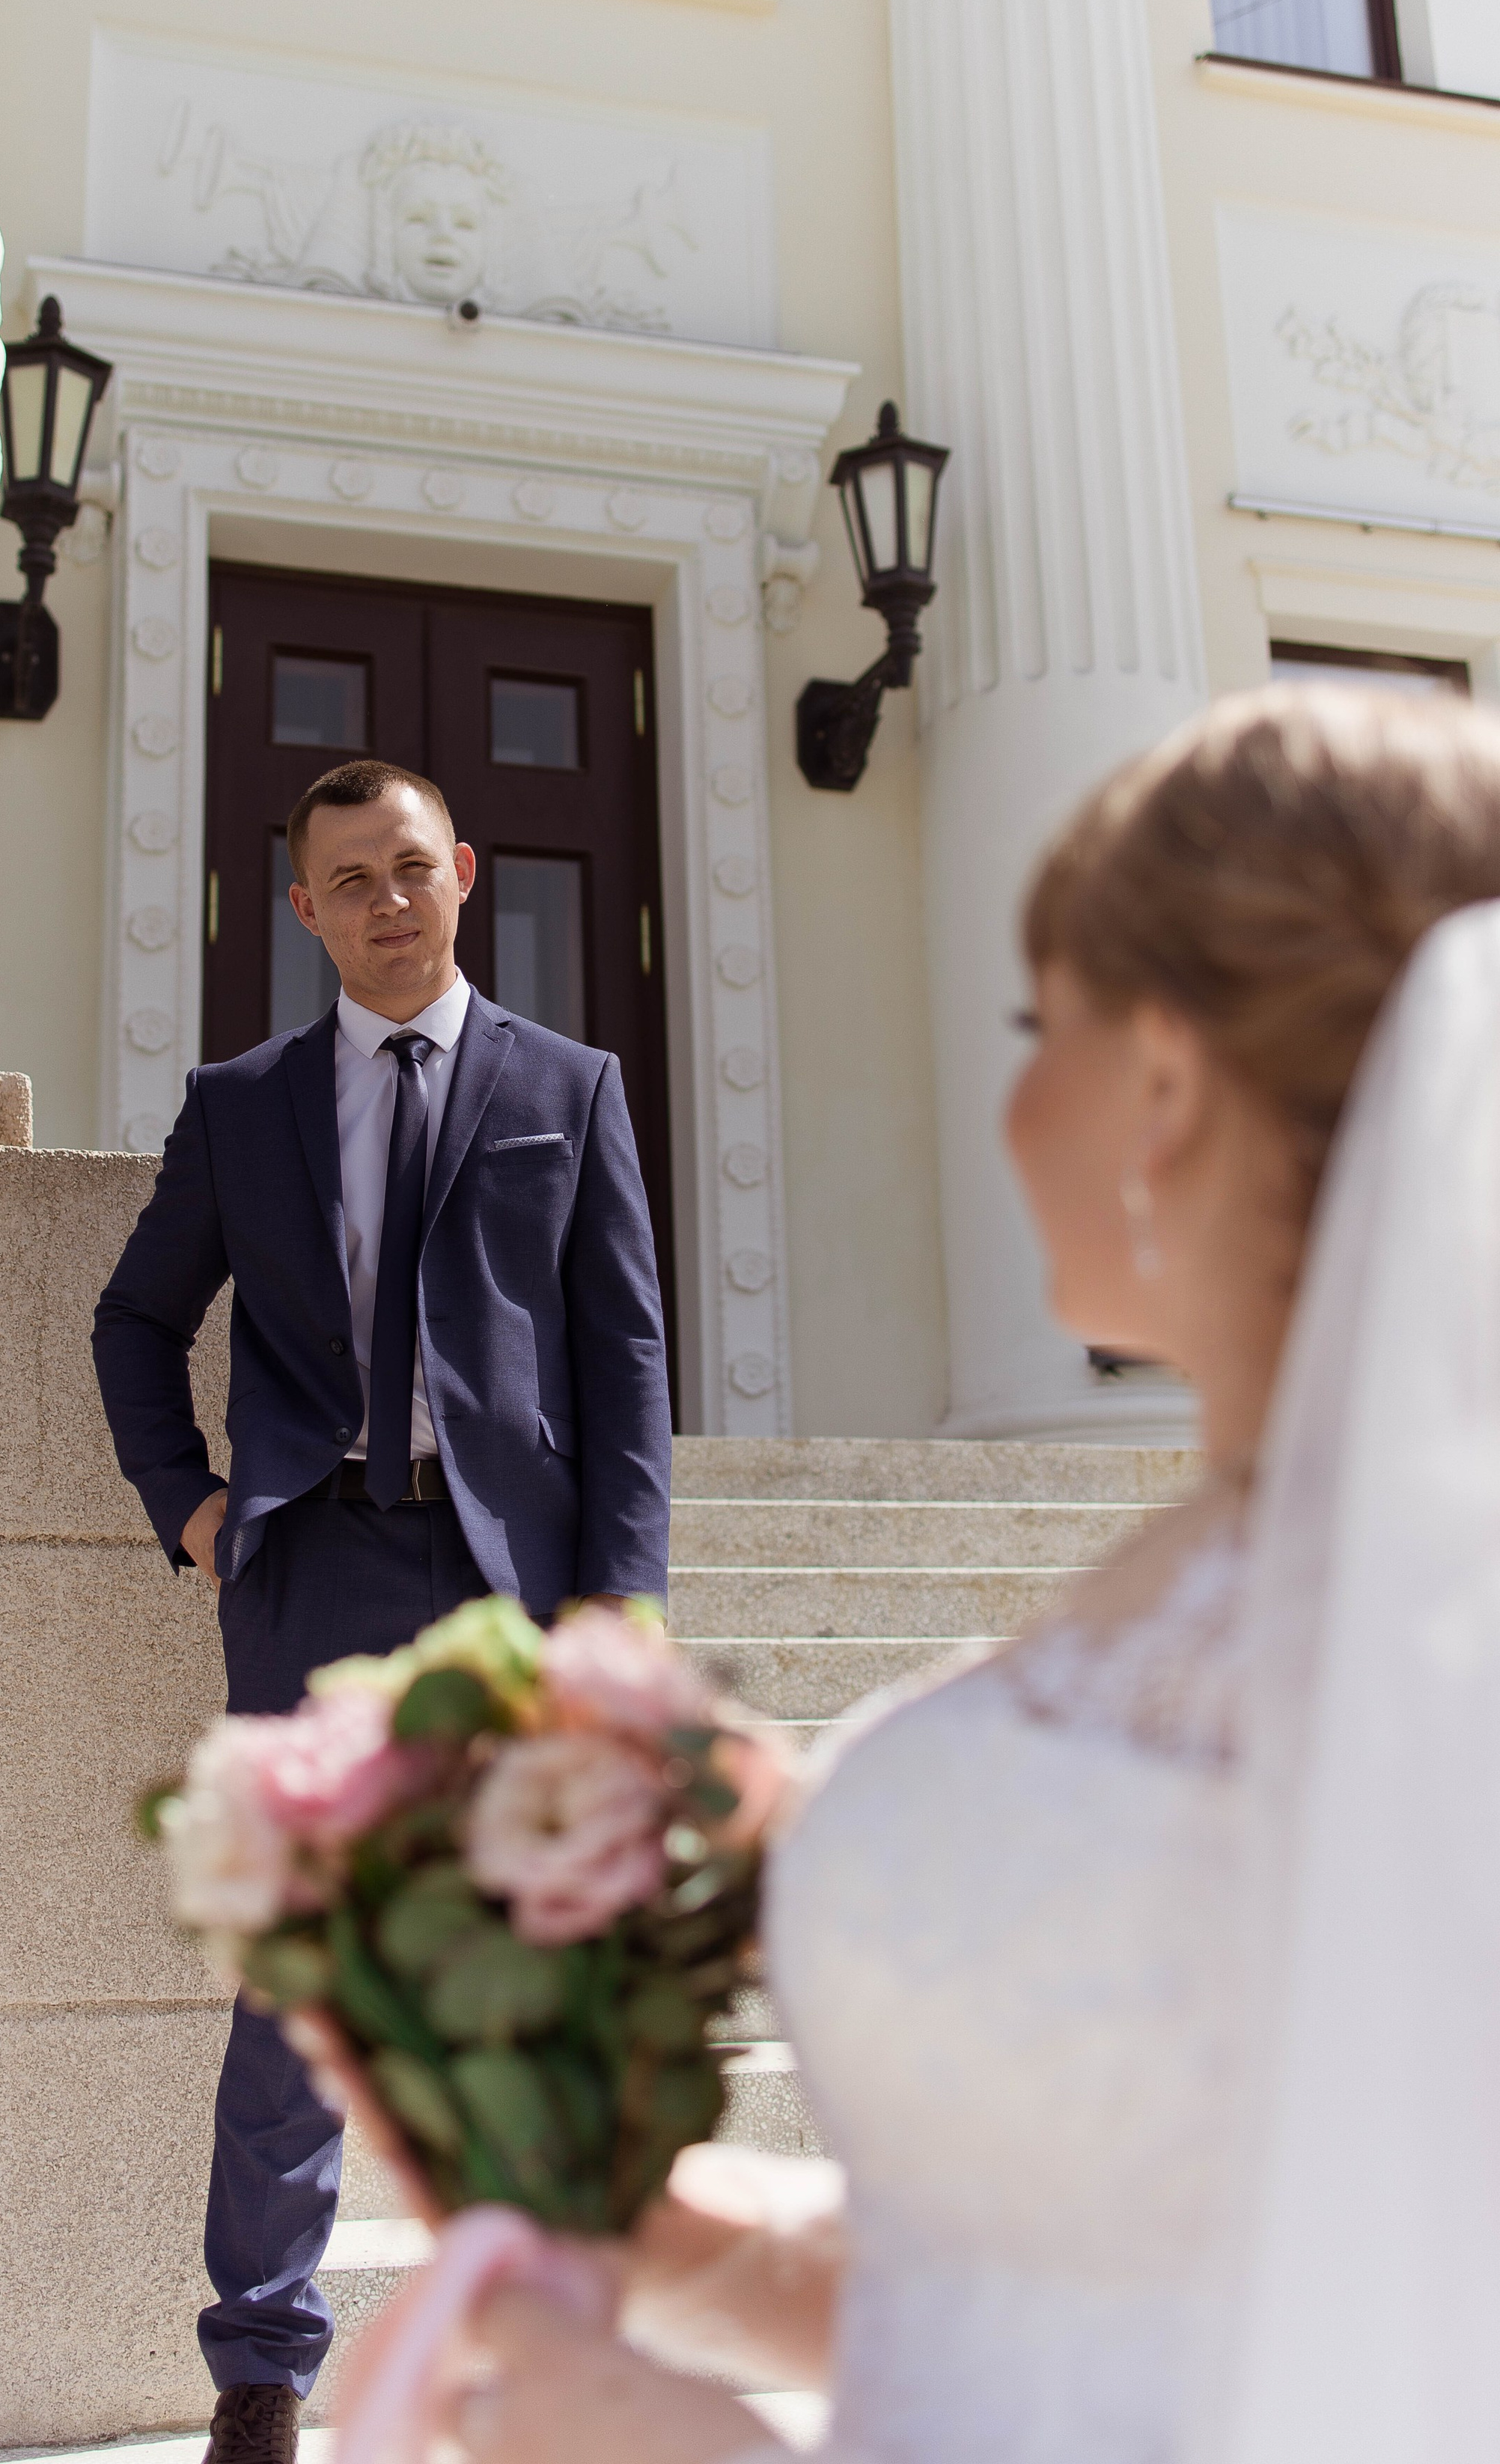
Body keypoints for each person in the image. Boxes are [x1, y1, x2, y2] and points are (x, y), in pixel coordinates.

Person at [401, 683, 1500, 2464]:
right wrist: (651, 2236)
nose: (1007, 1098)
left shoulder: (1440, 1646)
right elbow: (1082, 2300)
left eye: (1029, 1022)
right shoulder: (1214, 1558)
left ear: (1159, 1081)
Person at [92, 756, 671, 2464]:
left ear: (466, 871)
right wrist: (185, 1501)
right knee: (295, 1976)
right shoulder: (242, 1100)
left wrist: (620, 1603)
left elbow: (623, 1360)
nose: (387, 901)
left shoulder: (568, 1085)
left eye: (409, 867)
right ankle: (261, 2369)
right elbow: (135, 1321)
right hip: (313, 1567)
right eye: (349, 880)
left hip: (511, 1579)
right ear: (303, 909)